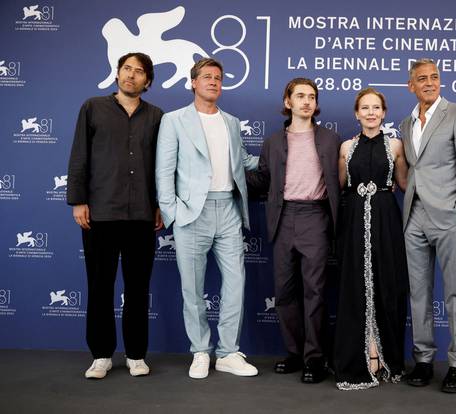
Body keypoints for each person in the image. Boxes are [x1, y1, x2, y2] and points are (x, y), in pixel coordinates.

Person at [155, 58, 259, 379]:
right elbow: (164, 170)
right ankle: (200, 351)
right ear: (193, 83)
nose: (213, 82)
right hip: (191, 213)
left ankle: (228, 352)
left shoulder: (230, 121)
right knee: (192, 287)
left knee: (235, 283)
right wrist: (173, 211)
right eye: (207, 77)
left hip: (228, 208)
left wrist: (285, 154)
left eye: (218, 77)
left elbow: (244, 161)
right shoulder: (174, 120)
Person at [67, 52, 163, 379]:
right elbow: (79, 155)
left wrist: (161, 203)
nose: (131, 76)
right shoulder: (92, 108)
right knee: (99, 286)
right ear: (117, 73)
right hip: (100, 214)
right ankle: (101, 355)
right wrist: (78, 201)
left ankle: (136, 354)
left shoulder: (156, 116)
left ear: (147, 81)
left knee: (137, 288)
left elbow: (163, 168)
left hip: (141, 215)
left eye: (138, 72)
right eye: (126, 69)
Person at [246, 78, 340, 383]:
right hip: (283, 216)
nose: (306, 101)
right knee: (285, 291)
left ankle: (315, 358)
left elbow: (342, 180)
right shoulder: (273, 141)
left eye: (311, 96)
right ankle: (294, 352)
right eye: (300, 96)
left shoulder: (330, 139)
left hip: (315, 216)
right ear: (288, 102)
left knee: (314, 290)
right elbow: (262, 179)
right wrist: (227, 173)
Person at [400, 59, 456, 393]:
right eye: (422, 79)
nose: (430, 83)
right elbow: (411, 169)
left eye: (435, 77)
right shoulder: (405, 124)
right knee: (419, 293)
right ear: (411, 86)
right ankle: (423, 359)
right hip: (414, 217)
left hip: (448, 216)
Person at [334, 88, 409, 390]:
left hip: (386, 218)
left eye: (376, 107)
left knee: (385, 282)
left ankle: (382, 354)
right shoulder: (345, 147)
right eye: (365, 107)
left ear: (384, 112)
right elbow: (340, 185)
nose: (370, 112)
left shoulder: (396, 146)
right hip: (353, 220)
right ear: (356, 113)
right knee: (355, 284)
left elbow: (404, 184)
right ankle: (364, 353)